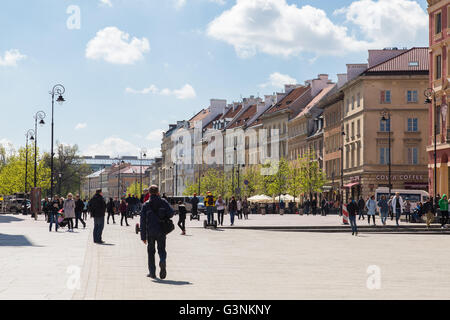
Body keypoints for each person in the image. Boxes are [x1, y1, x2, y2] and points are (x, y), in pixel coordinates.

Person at [140, 185, 174, 279]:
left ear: (149, 193)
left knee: (151, 252)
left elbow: (142, 222)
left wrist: (143, 237)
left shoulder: (146, 204)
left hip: (150, 231)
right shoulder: (163, 202)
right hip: (161, 230)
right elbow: (171, 213)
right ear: (158, 192)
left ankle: (152, 273)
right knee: (162, 249)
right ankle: (162, 260)